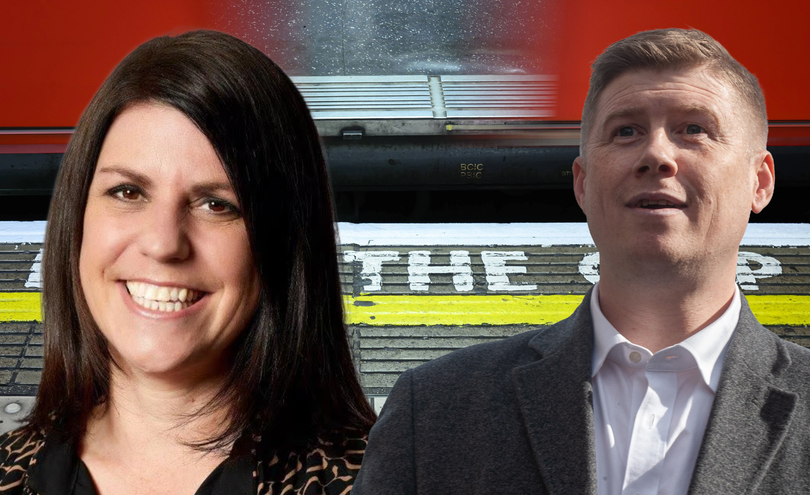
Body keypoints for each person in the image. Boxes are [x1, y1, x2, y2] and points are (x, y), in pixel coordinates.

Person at [354, 28, 810, 494]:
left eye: (694, 129)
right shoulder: (433, 410)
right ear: (582, 184)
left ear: (761, 182)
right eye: (625, 131)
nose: (656, 154)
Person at [0, 30, 376, 494]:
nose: (163, 244)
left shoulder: (378, 481)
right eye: (128, 192)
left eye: (217, 204)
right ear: (77, 218)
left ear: (284, 242)